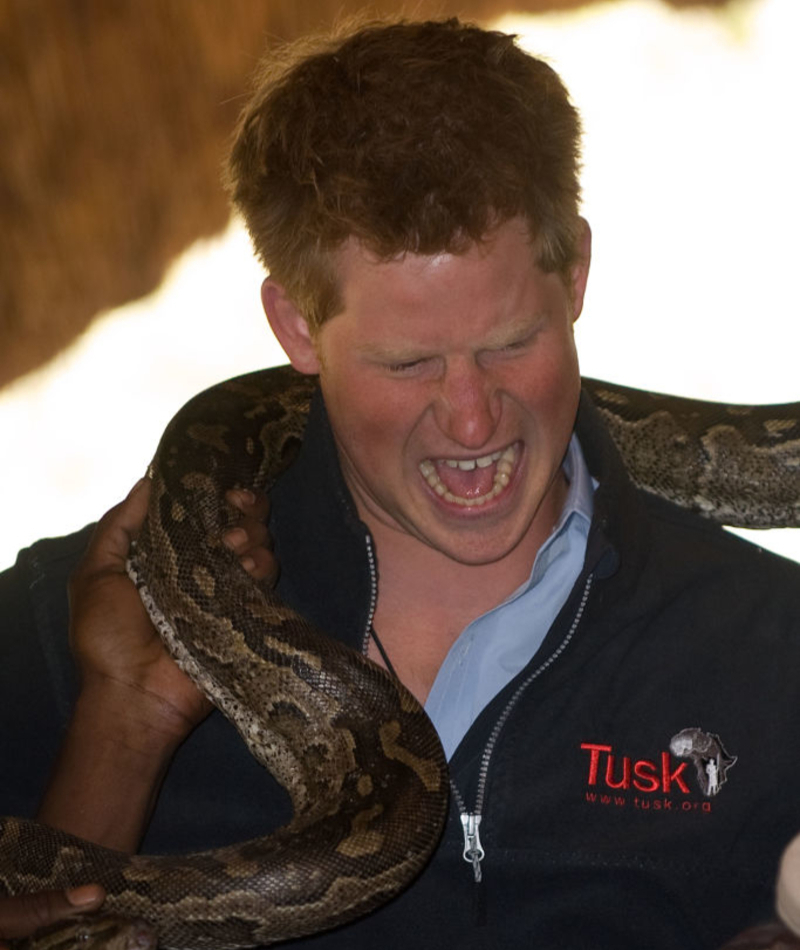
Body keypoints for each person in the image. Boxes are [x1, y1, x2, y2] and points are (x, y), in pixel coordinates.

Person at [2, 17, 800, 950]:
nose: (473, 422)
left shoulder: (770, 644)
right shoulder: (68, 628)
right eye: (409, 363)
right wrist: (127, 720)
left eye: (511, 345)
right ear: (296, 326)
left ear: (576, 274)